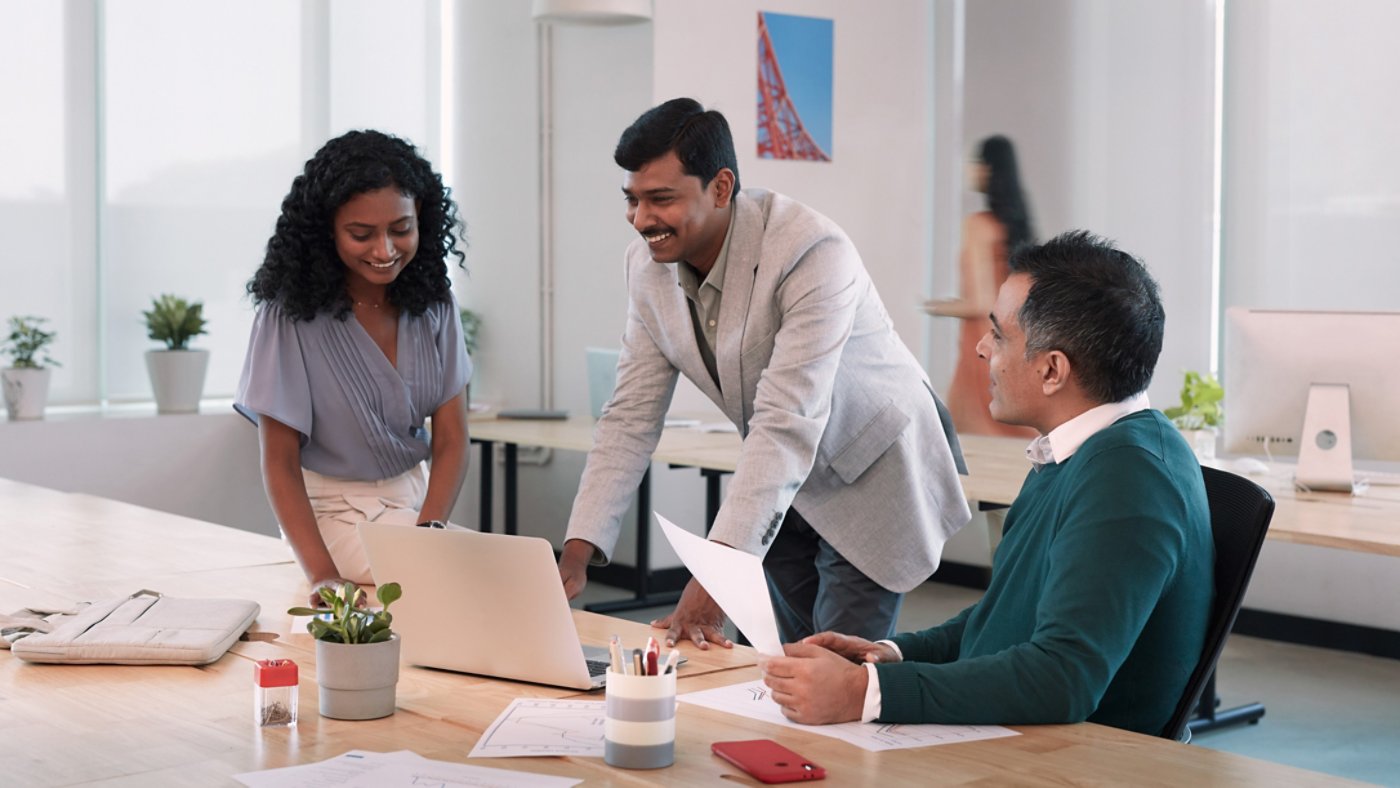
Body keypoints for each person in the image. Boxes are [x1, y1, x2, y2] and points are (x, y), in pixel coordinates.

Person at [761, 231, 1213, 737]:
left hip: (1079, 763)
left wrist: (863, 694)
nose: (980, 348)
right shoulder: (1078, 450)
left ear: (1051, 370)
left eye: (997, 335)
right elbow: (1008, 618)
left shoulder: (1130, 477)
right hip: (1027, 743)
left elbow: (1061, 679)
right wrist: (887, 656)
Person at [557, 98, 970, 649]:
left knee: (838, 672)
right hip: (784, 484)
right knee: (785, 661)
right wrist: (578, 550)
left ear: (721, 188)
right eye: (631, 200)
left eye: (660, 199)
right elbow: (629, 416)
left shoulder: (810, 250)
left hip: (872, 464)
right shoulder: (646, 268)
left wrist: (717, 574)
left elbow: (786, 419)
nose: (641, 219)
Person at [236, 130, 472, 606]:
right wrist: (322, 575)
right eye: (362, 234)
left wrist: (430, 529)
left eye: (401, 229)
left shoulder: (433, 304)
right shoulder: (290, 315)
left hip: (415, 507)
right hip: (329, 518)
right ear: (327, 231)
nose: (385, 250)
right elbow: (279, 462)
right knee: (480, 578)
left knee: (488, 572)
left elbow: (451, 439)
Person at [925, 135, 1036, 439]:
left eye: (976, 163)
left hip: (980, 341)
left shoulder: (977, 226)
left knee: (968, 439)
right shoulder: (1016, 227)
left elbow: (979, 301)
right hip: (1014, 336)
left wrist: (935, 307)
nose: (970, 170)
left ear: (989, 170)